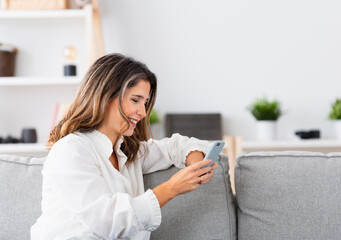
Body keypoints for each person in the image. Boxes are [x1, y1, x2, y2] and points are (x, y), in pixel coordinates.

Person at [31, 53, 218, 240]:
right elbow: (108, 222)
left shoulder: (129, 152)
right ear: (105, 95)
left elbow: (177, 145)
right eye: (135, 100)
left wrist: (195, 165)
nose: (143, 112)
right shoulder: (71, 150)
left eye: (144, 103)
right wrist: (171, 188)